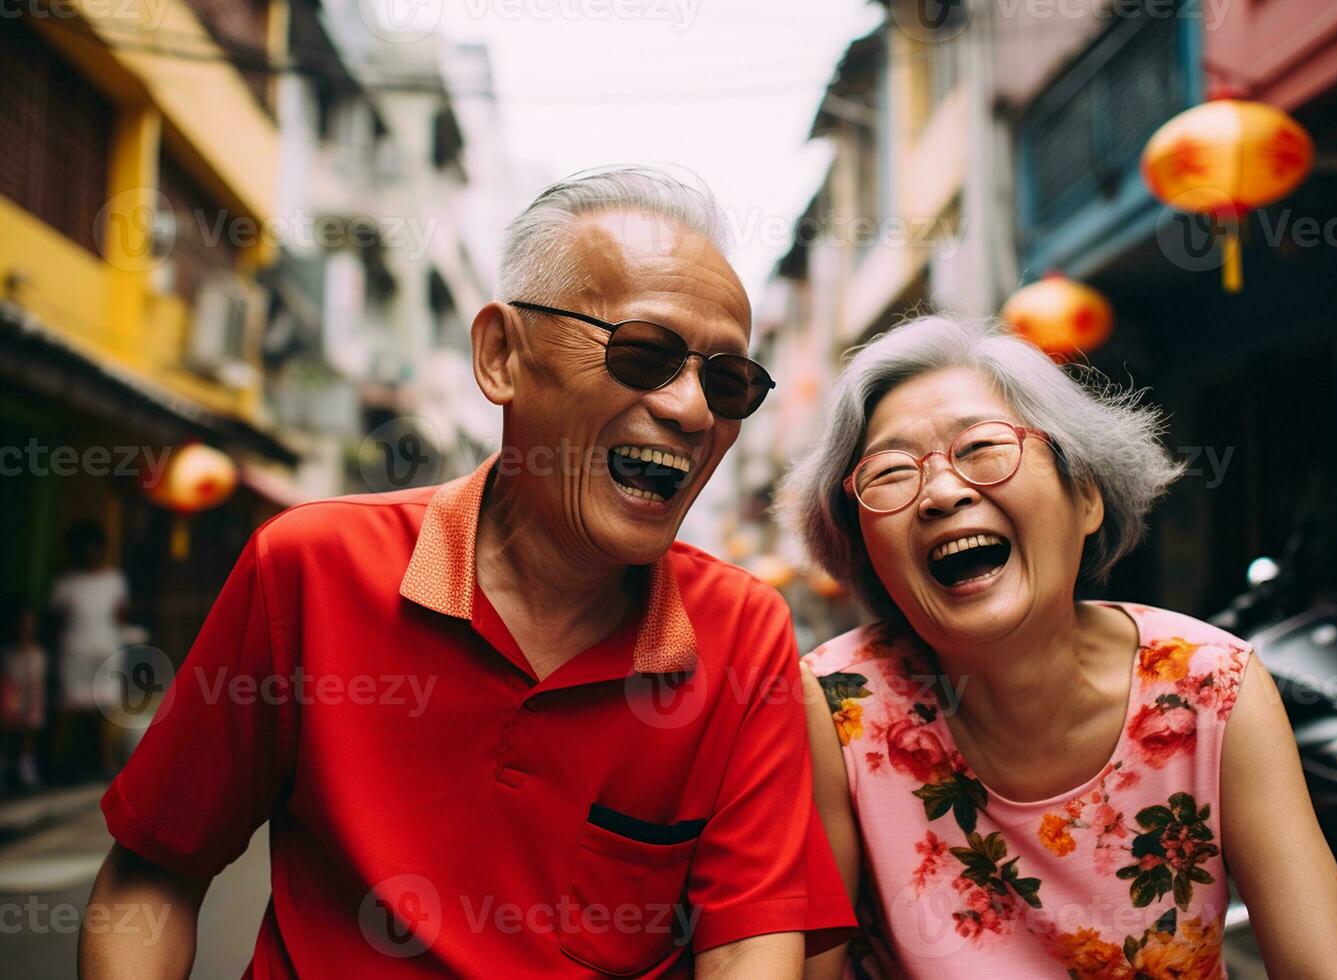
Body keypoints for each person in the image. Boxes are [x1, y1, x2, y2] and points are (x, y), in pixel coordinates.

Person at [81, 167, 854, 978]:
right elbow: (153, 876)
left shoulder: (743, 631)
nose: (694, 411)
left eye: (727, 381)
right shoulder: (310, 567)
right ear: (500, 357)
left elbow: (750, 951)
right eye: (643, 353)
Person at [780, 316, 1337, 978]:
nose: (942, 494)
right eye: (890, 471)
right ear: (863, 546)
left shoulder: (1212, 686)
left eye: (981, 447)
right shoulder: (836, 708)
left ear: (1085, 496)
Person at [49, 521, 129, 779]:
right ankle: (57, 765)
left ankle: (105, 764)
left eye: (95, 547)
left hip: (106, 650)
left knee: (105, 709)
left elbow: (120, 616)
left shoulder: (114, 580)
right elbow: (56, 620)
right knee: (69, 706)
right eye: (85, 548)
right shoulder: (66, 584)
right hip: (74, 651)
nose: (90, 553)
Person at [1, 600, 48, 793]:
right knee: (7, 736)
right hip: (10, 699)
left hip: (31, 701)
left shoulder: (38, 654)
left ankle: (26, 774)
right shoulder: (7, 654)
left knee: (27, 737)